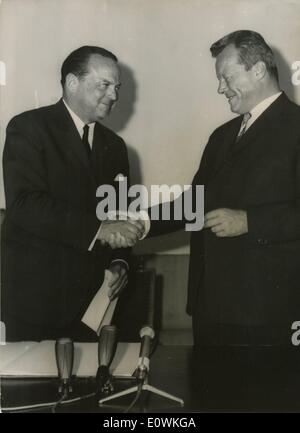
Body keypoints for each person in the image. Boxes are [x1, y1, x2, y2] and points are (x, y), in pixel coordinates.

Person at [131, 30, 300, 350]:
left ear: (259, 70)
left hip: (271, 313)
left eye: (227, 76)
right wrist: (141, 223)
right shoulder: (221, 136)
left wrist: (251, 221)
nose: (220, 87)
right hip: (209, 307)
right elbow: (195, 204)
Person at [1, 45, 143, 342]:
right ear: (72, 82)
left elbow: (120, 214)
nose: (114, 95)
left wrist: (120, 261)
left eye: (116, 86)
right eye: (104, 85)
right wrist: (99, 229)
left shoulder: (115, 147)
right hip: (34, 303)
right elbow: (25, 204)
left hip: (92, 305)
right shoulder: (28, 128)